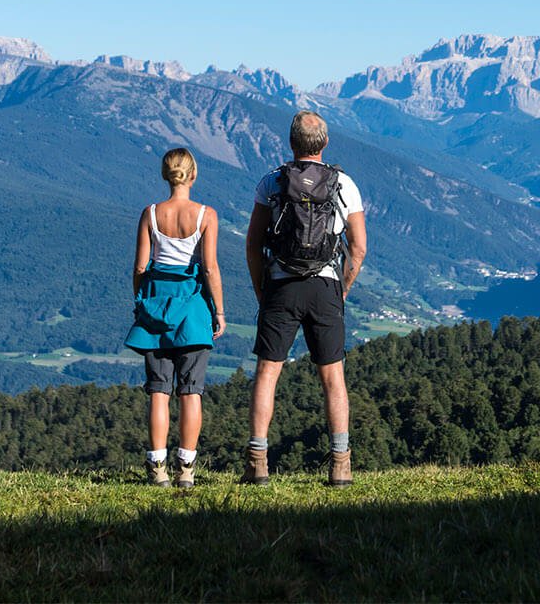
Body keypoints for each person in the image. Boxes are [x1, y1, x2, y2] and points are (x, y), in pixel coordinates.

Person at [243, 110, 367, 487]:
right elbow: (358, 248)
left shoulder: (272, 182)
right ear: (324, 144)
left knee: (268, 373)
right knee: (333, 377)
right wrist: (341, 288)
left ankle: (257, 463)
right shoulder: (344, 184)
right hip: (325, 284)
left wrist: (263, 289)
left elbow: (253, 244)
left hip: (282, 284)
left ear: (291, 143)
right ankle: (340, 465)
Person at [123, 147, 226, 488]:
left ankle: (156, 468)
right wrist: (220, 311)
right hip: (193, 311)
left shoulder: (150, 214)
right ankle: (186, 468)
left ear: (165, 175)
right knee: (191, 391)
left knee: (158, 391)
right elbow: (209, 267)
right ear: (193, 175)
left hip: (156, 310)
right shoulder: (205, 215)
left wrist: (142, 299)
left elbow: (140, 266)